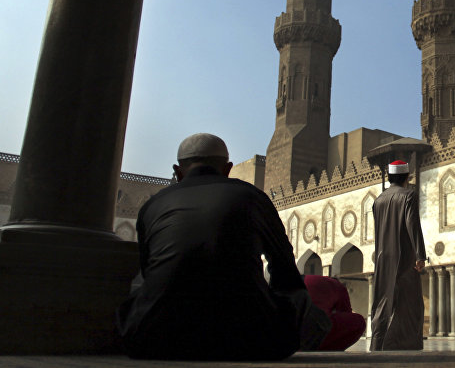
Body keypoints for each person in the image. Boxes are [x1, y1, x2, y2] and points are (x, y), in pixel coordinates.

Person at [116, 133, 328, 360]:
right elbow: (285, 271)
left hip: (155, 338)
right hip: (249, 340)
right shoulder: (252, 197)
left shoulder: (152, 206)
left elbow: (149, 272)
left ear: (178, 172)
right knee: (300, 298)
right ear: (227, 168)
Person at [370, 160, 427, 350]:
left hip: (382, 260)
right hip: (404, 257)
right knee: (409, 303)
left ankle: (379, 343)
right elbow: (413, 225)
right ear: (406, 178)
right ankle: (405, 345)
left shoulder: (378, 200)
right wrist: (420, 255)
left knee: (383, 302)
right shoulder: (408, 195)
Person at [303, 275, 366, 350]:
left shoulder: (308, 278)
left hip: (289, 329)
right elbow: (346, 312)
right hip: (310, 332)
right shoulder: (339, 286)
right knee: (359, 321)